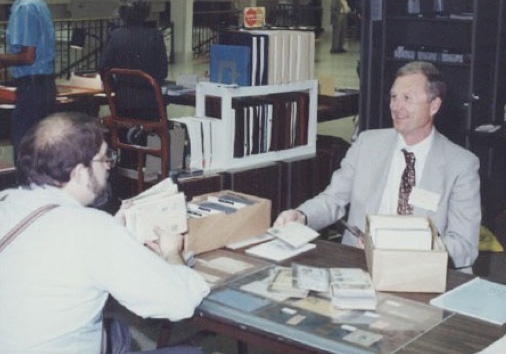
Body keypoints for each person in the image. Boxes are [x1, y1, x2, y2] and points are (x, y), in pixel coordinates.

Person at [0, 112, 210, 353]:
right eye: (103, 158)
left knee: (117, 331)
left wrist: (113, 235)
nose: (109, 165)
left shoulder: (6, 201)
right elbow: (179, 303)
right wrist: (173, 253)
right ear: (78, 173)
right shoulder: (90, 229)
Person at [275, 61, 481, 273]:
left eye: (407, 98)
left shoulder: (461, 165)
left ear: (434, 105)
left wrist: (404, 246)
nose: (396, 106)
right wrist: (302, 216)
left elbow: (465, 246)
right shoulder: (367, 144)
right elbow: (333, 199)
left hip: (421, 273)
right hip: (358, 265)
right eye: (394, 97)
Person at [0, 0, 56, 158]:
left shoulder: (24, 8)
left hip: (32, 89)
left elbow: (28, 56)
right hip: (44, 85)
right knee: (41, 151)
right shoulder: (39, 4)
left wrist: (2, 60)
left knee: (24, 151)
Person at [100, 0, 168, 120]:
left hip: (122, 101)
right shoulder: (155, 35)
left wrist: (114, 86)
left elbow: (103, 67)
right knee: (175, 128)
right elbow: (163, 71)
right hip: (149, 101)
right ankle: (170, 139)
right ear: (145, 14)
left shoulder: (115, 35)